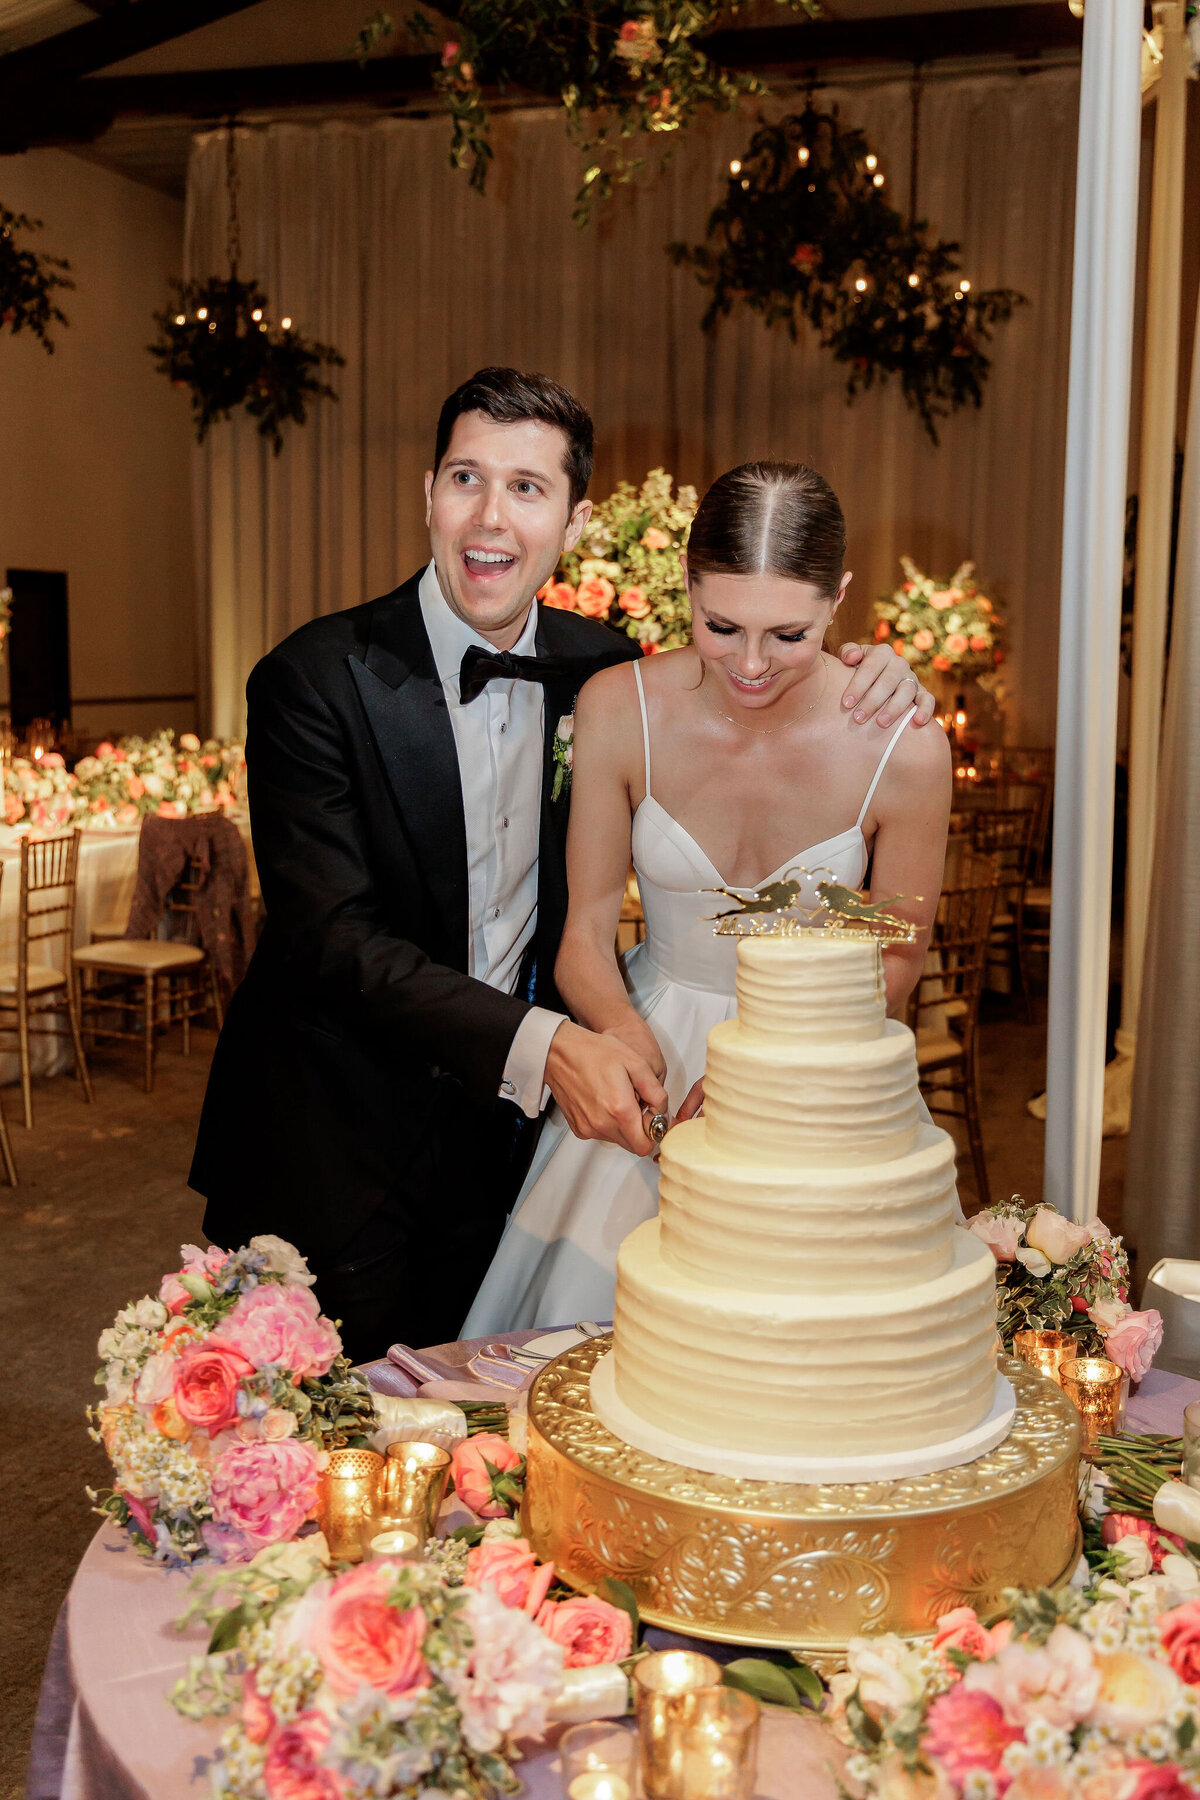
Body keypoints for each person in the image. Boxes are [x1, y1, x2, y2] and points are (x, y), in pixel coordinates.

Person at [190, 370, 936, 1361]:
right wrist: (579, 1045)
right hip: (339, 1137)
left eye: (528, 488)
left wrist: (877, 668)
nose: (491, 516)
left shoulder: (601, 669)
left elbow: (894, 931)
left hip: (510, 1141)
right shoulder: (313, 678)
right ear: (428, 493)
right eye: (466, 478)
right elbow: (331, 941)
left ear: (576, 521)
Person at [463, 460, 951, 1338]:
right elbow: (581, 938)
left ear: (838, 599)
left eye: (789, 635)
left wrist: (763, 1081)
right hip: (645, 1049)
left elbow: (900, 954)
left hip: (819, 1068)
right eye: (721, 625)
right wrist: (627, 1043)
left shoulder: (905, 746)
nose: (753, 665)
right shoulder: (619, 708)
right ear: (685, 585)